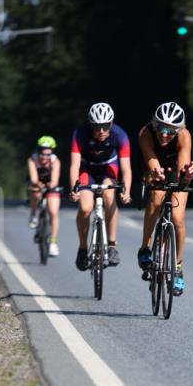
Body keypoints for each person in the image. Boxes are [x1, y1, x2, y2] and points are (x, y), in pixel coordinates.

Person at [137, 101, 193, 297]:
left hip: (175, 168)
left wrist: (187, 177)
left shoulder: (184, 136)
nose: (164, 134)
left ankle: (178, 267)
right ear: (154, 124)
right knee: (155, 197)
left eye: (170, 131)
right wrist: (155, 175)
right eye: (161, 127)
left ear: (179, 130)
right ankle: (145, 247)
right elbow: (152, 161)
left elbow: (182, 168)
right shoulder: (145, 133)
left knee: (178, 219)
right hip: (155, 166)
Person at [69, 102, 132, 270]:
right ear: (91, 125)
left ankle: (111, 246)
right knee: (85, 208)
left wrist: (126, 190)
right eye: (97, 127)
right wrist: (74, 188)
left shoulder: (120, 135)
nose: (101, 131)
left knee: (109, 195)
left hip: (108, 169)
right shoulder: (79, 134)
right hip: (86, 169)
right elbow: (74, 165)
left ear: (111, 124)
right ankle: (83, 249)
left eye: (105, 126)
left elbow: (126, 168)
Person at [27, 135, 61, 257]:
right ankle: (33, 214)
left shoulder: (55, 161)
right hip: (37, 182)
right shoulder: (32, 160)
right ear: (38, 151)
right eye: (42, 153)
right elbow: (34, 178)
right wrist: (39, 186)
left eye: (48, 154)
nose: (44, 157)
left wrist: (50, 186)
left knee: (53, 211)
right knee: (35, 194)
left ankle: (52, 242)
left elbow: (55, 180)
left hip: (50, 184)